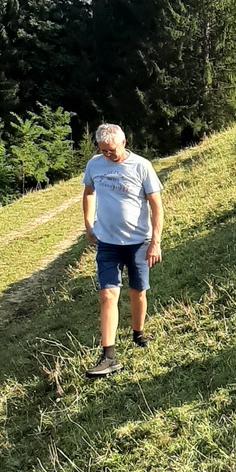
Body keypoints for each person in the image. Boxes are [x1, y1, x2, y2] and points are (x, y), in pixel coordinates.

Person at [82, 123, 164, 378]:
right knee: (108, 295)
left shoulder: (141, 166)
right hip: (107, 243)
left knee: (137, 292)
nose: (107, 154)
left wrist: (155, 242)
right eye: (102, 150)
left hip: (138, 242)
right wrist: (88, 225)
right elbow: (88, 192)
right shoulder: (94, 165)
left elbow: (157, 206)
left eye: (111, 150)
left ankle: (138, 334)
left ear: (124, 142)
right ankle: (108, 356)